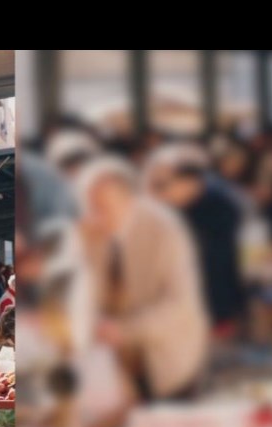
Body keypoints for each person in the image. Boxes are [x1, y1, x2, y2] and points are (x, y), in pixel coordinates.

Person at [77, 156, 209, 401]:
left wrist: (124, 330)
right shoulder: (90, 232)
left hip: (166, 360)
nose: (96, 217)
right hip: (114, 370)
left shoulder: (165, 229)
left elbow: (180, 305)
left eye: (103, 208)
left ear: (129, 200)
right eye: (90, 207)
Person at [145, 144, 244, 330]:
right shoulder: (179, 206)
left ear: (188, 181)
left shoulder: (219, 206)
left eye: (163, 185)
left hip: (211, 308)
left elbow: (208, 263)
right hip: (184, 307)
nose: (160, 193)